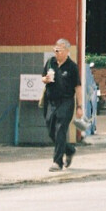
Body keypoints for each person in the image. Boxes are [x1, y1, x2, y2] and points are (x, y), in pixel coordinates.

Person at [42, 39, 82, 171]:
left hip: (66, 102)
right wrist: (45, 79)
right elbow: (42, 77)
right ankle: (69, 149)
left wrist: (79, 106)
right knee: (51, 131)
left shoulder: (72, 67)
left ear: (66, 52)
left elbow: (78, 87)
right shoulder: (50, 62)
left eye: (58, 51)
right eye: (55, 50)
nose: (56, 53)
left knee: (60, 130)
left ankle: (57, 162)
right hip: (51, 101)